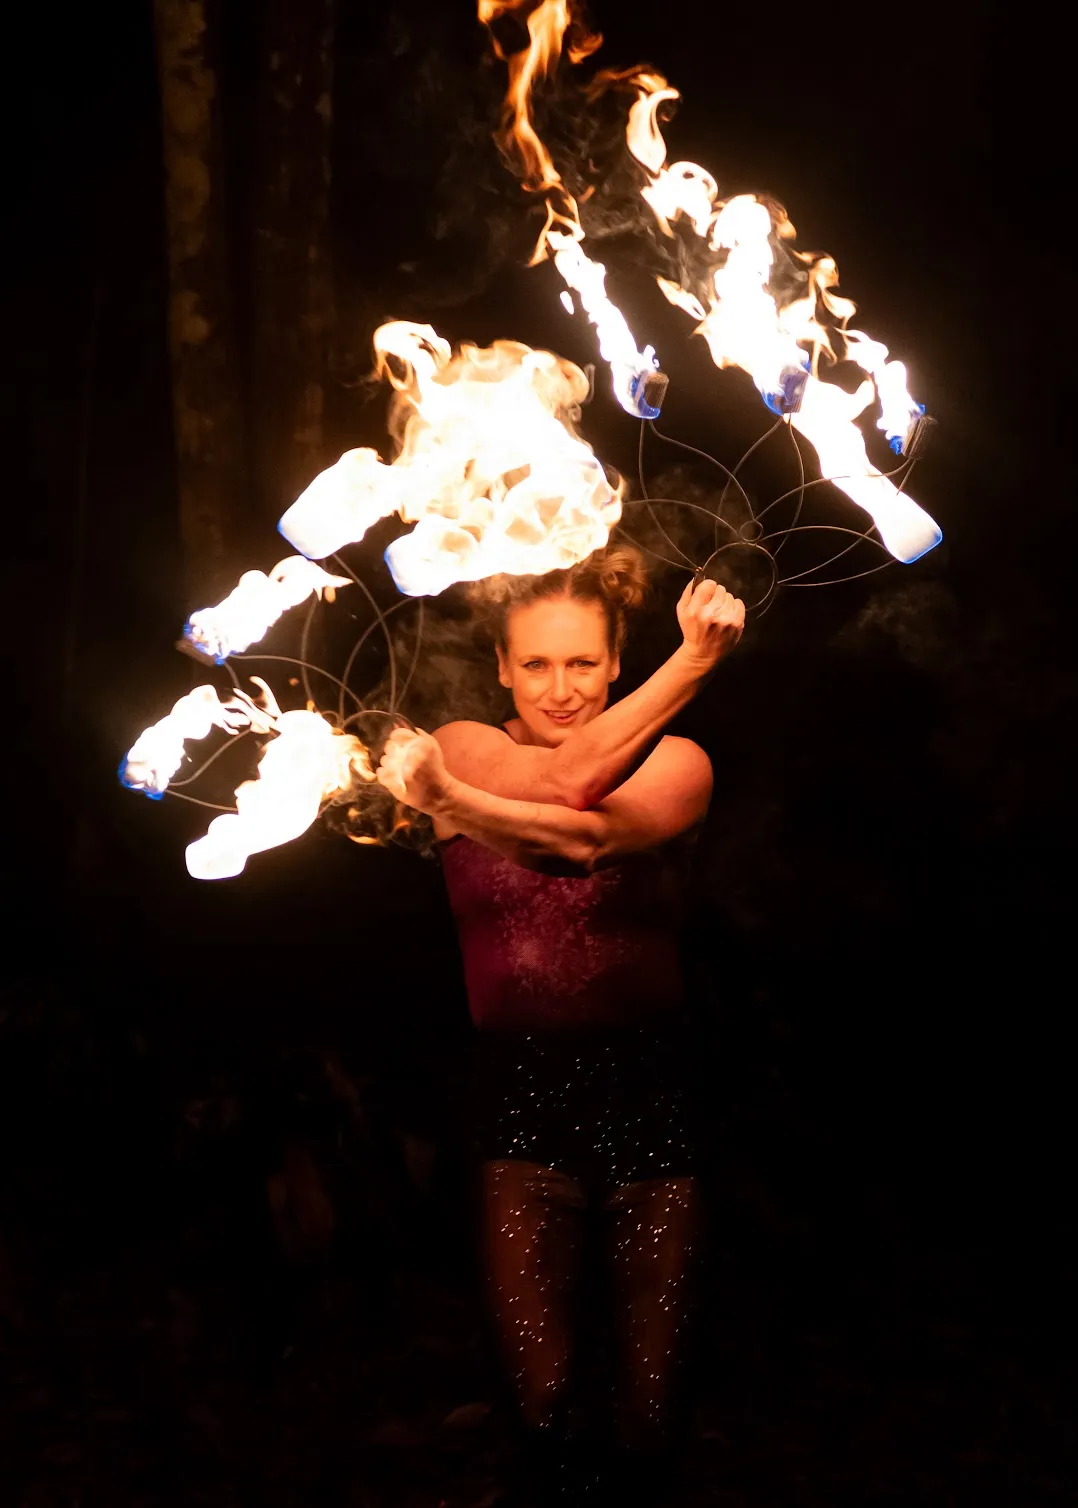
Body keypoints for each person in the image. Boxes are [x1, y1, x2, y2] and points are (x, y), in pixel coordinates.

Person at [376, 546, 744, 1505]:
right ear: (500, 667)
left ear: (620, 658)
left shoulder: (680, 762)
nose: (562, 688)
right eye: (535, 664)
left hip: (652, 1094)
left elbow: (580, 826)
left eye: (583, 662)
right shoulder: (462, 743)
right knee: (540, 1409)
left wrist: (450, 810)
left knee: (652, 1415)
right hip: (517, 1098)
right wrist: (456, 788)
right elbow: (557, 783)